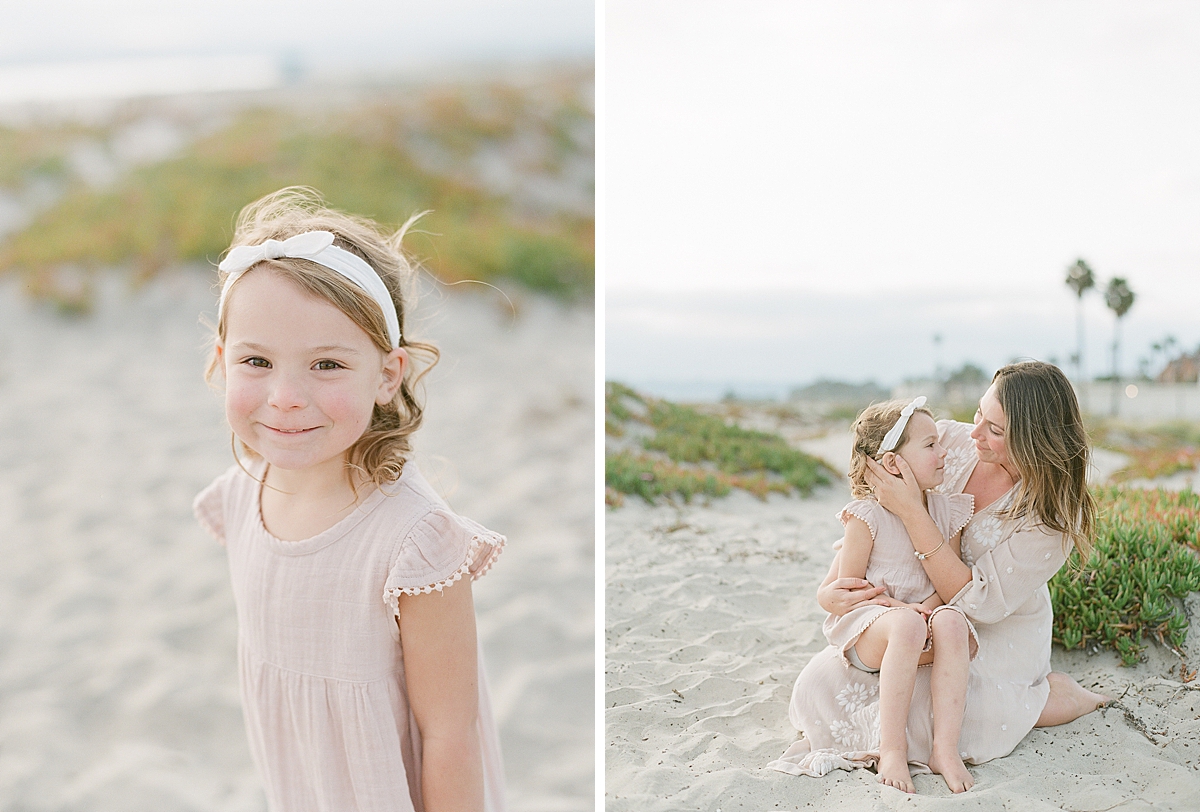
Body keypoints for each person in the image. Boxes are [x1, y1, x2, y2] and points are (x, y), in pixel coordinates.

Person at [192, 187, 506, 812]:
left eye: (327, 366)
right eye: (257, 361)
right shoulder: (240, 496)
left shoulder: (415, 543)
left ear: (387, 375)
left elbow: (450, 733)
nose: (285, 395)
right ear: (223, 361)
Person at [769, 361, 1108, 789]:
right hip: (906, 610)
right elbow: (872, 513)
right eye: (979, 413)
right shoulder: (945, 438)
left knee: (955, 713)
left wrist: (913, 512)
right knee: (823, 688)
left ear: (1035, 440)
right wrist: (835, 587)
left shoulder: (1052, 518)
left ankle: (1057, 696)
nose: (974, 433)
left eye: (996, 430)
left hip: (992, 625)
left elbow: (980, 603)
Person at [823, 396, 977, 793]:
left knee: (953, 620)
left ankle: (945, 747)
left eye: (940, 442)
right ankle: (892, 749)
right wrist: (896, 608)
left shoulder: (949, 512)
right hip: (874, 629)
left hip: (920, 620)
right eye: (930, 445)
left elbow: (947, 588)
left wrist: (925, 610)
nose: (943, 453)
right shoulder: (867, 516)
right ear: (893, 463)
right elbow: (848, 593)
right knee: (906, 623)